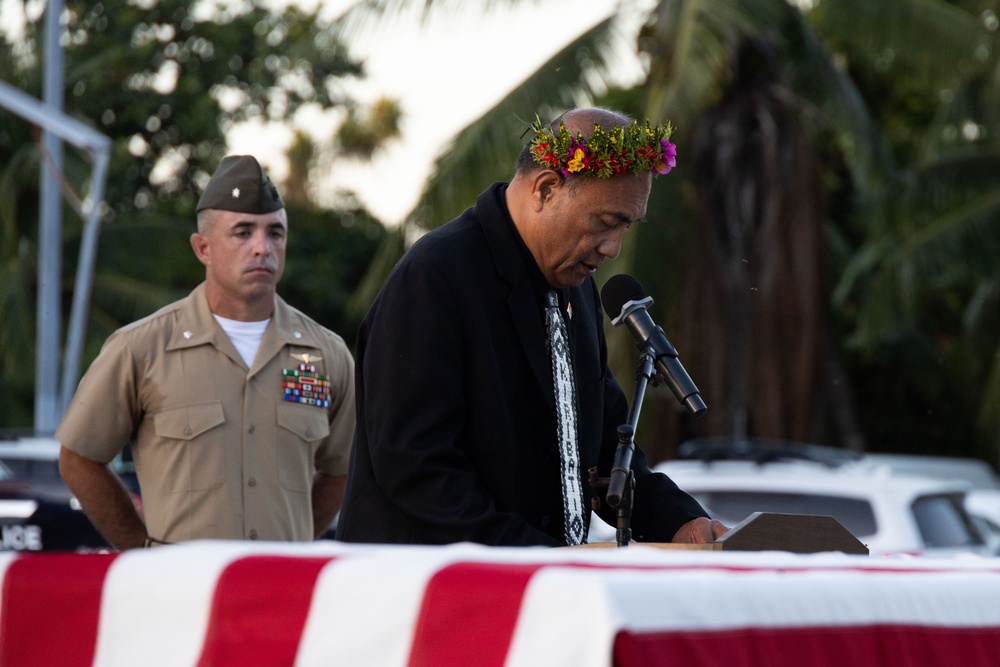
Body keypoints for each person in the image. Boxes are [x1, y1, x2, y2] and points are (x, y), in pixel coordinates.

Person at [337, 107, 727, 546]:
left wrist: (684, 523)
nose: (614, 249)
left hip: (536, 590)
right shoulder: (436, 277)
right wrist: (538, 559)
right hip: (428, 594)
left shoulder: (576, 289)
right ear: (546, 188)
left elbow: (605, 452)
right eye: (605, 223)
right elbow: (416, 468)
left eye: (627, 226)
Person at [57, 155, 355, 549]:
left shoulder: (324, 354)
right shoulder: (143, 348)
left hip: (282, 598)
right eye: (243, 232)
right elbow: (79, 458)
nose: (262, 248)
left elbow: (343, 470)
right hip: (183, 597)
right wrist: (140, 550)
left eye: (275, 233)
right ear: (203, 248)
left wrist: (291, 545)